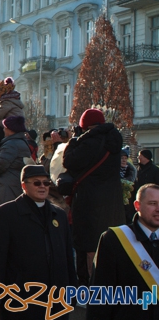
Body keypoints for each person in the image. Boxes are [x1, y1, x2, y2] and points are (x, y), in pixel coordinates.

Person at [0, 165, 76, 320]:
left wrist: (71, 291)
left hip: (56, 299)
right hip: (21, 298)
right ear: (23, 186)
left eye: (46, 183)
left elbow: (68, 256)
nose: (42, 187)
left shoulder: (59, 215)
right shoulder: (7, 213)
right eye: (36, 183)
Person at [62, 108, 125, 286]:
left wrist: (74, 141)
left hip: (89, 202)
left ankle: (89, 284)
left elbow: (69, 162)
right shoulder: (115, 139)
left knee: (88, 246)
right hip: (112, 202)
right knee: (109, 244)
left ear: (85, 126)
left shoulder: (89, 142)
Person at [88, 183, 159, 320]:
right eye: (152, 203)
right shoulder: (114, 239)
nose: (158, 209)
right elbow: (101, 294)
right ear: (137, 206)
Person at [0, 115, 33, 207]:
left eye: (5, 128)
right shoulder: (21, 142)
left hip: (6, 189)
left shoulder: (11, 144)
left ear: (11, 129)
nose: (3, 130)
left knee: (1, 214)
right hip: (13, 186)